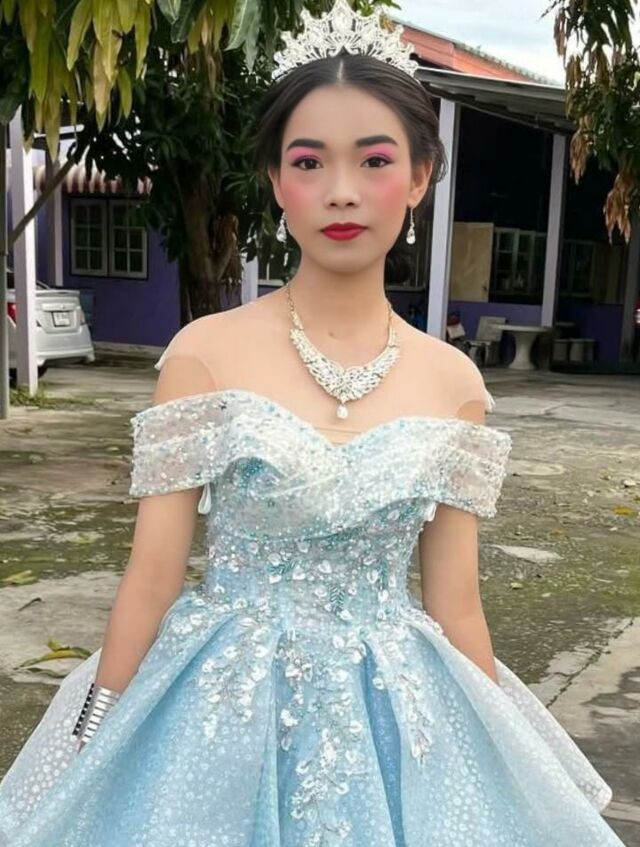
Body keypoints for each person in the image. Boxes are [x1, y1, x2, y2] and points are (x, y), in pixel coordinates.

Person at [0, 2, 627, 845]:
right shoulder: (204, 355)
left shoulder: (455, 384)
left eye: (374, 160)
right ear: (275, 180)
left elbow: (456, 602)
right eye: (308, 161)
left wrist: (501, 765)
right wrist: (91, 735)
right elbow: (151, 576)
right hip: (221, 709)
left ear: (419, 177)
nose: (341, 191)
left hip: (394, 706)